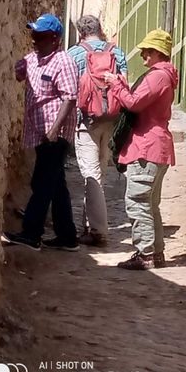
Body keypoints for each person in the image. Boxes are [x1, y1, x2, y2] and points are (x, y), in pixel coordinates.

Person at [3, 14, 79, 252]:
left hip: (55, 133)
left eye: (40, 37)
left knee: (42, 182)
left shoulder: (63, 62)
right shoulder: (33, 58)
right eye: (33, 36)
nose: (35, 41)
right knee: (56, 183)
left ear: (54, 39)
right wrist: (19, 69)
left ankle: (31, 234)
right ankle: (67, 237)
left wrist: (55, 129)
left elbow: (69, 98)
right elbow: (20, 71)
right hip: (38, 132)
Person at [104, 29, 178, 270]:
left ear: (159, 53)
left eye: (148, 51)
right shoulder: (164, 76)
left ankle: (145, 253)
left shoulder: (157, 77)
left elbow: (135, 103)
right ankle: (155, 253)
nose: (143, 54)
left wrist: (116, 86)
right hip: (157, 146)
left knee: (137, 200)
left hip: (147, 146)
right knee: (149, 203)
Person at [68, 15, 128, 247]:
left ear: (81, 32)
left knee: (90, 174)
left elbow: (70, 90)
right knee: (100, 173)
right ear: (101, 30)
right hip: (111, 119)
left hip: (87, 121)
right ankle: (89, 226)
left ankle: (98, 231)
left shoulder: (75, 53)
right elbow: (124, 83)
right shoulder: (117, 52)